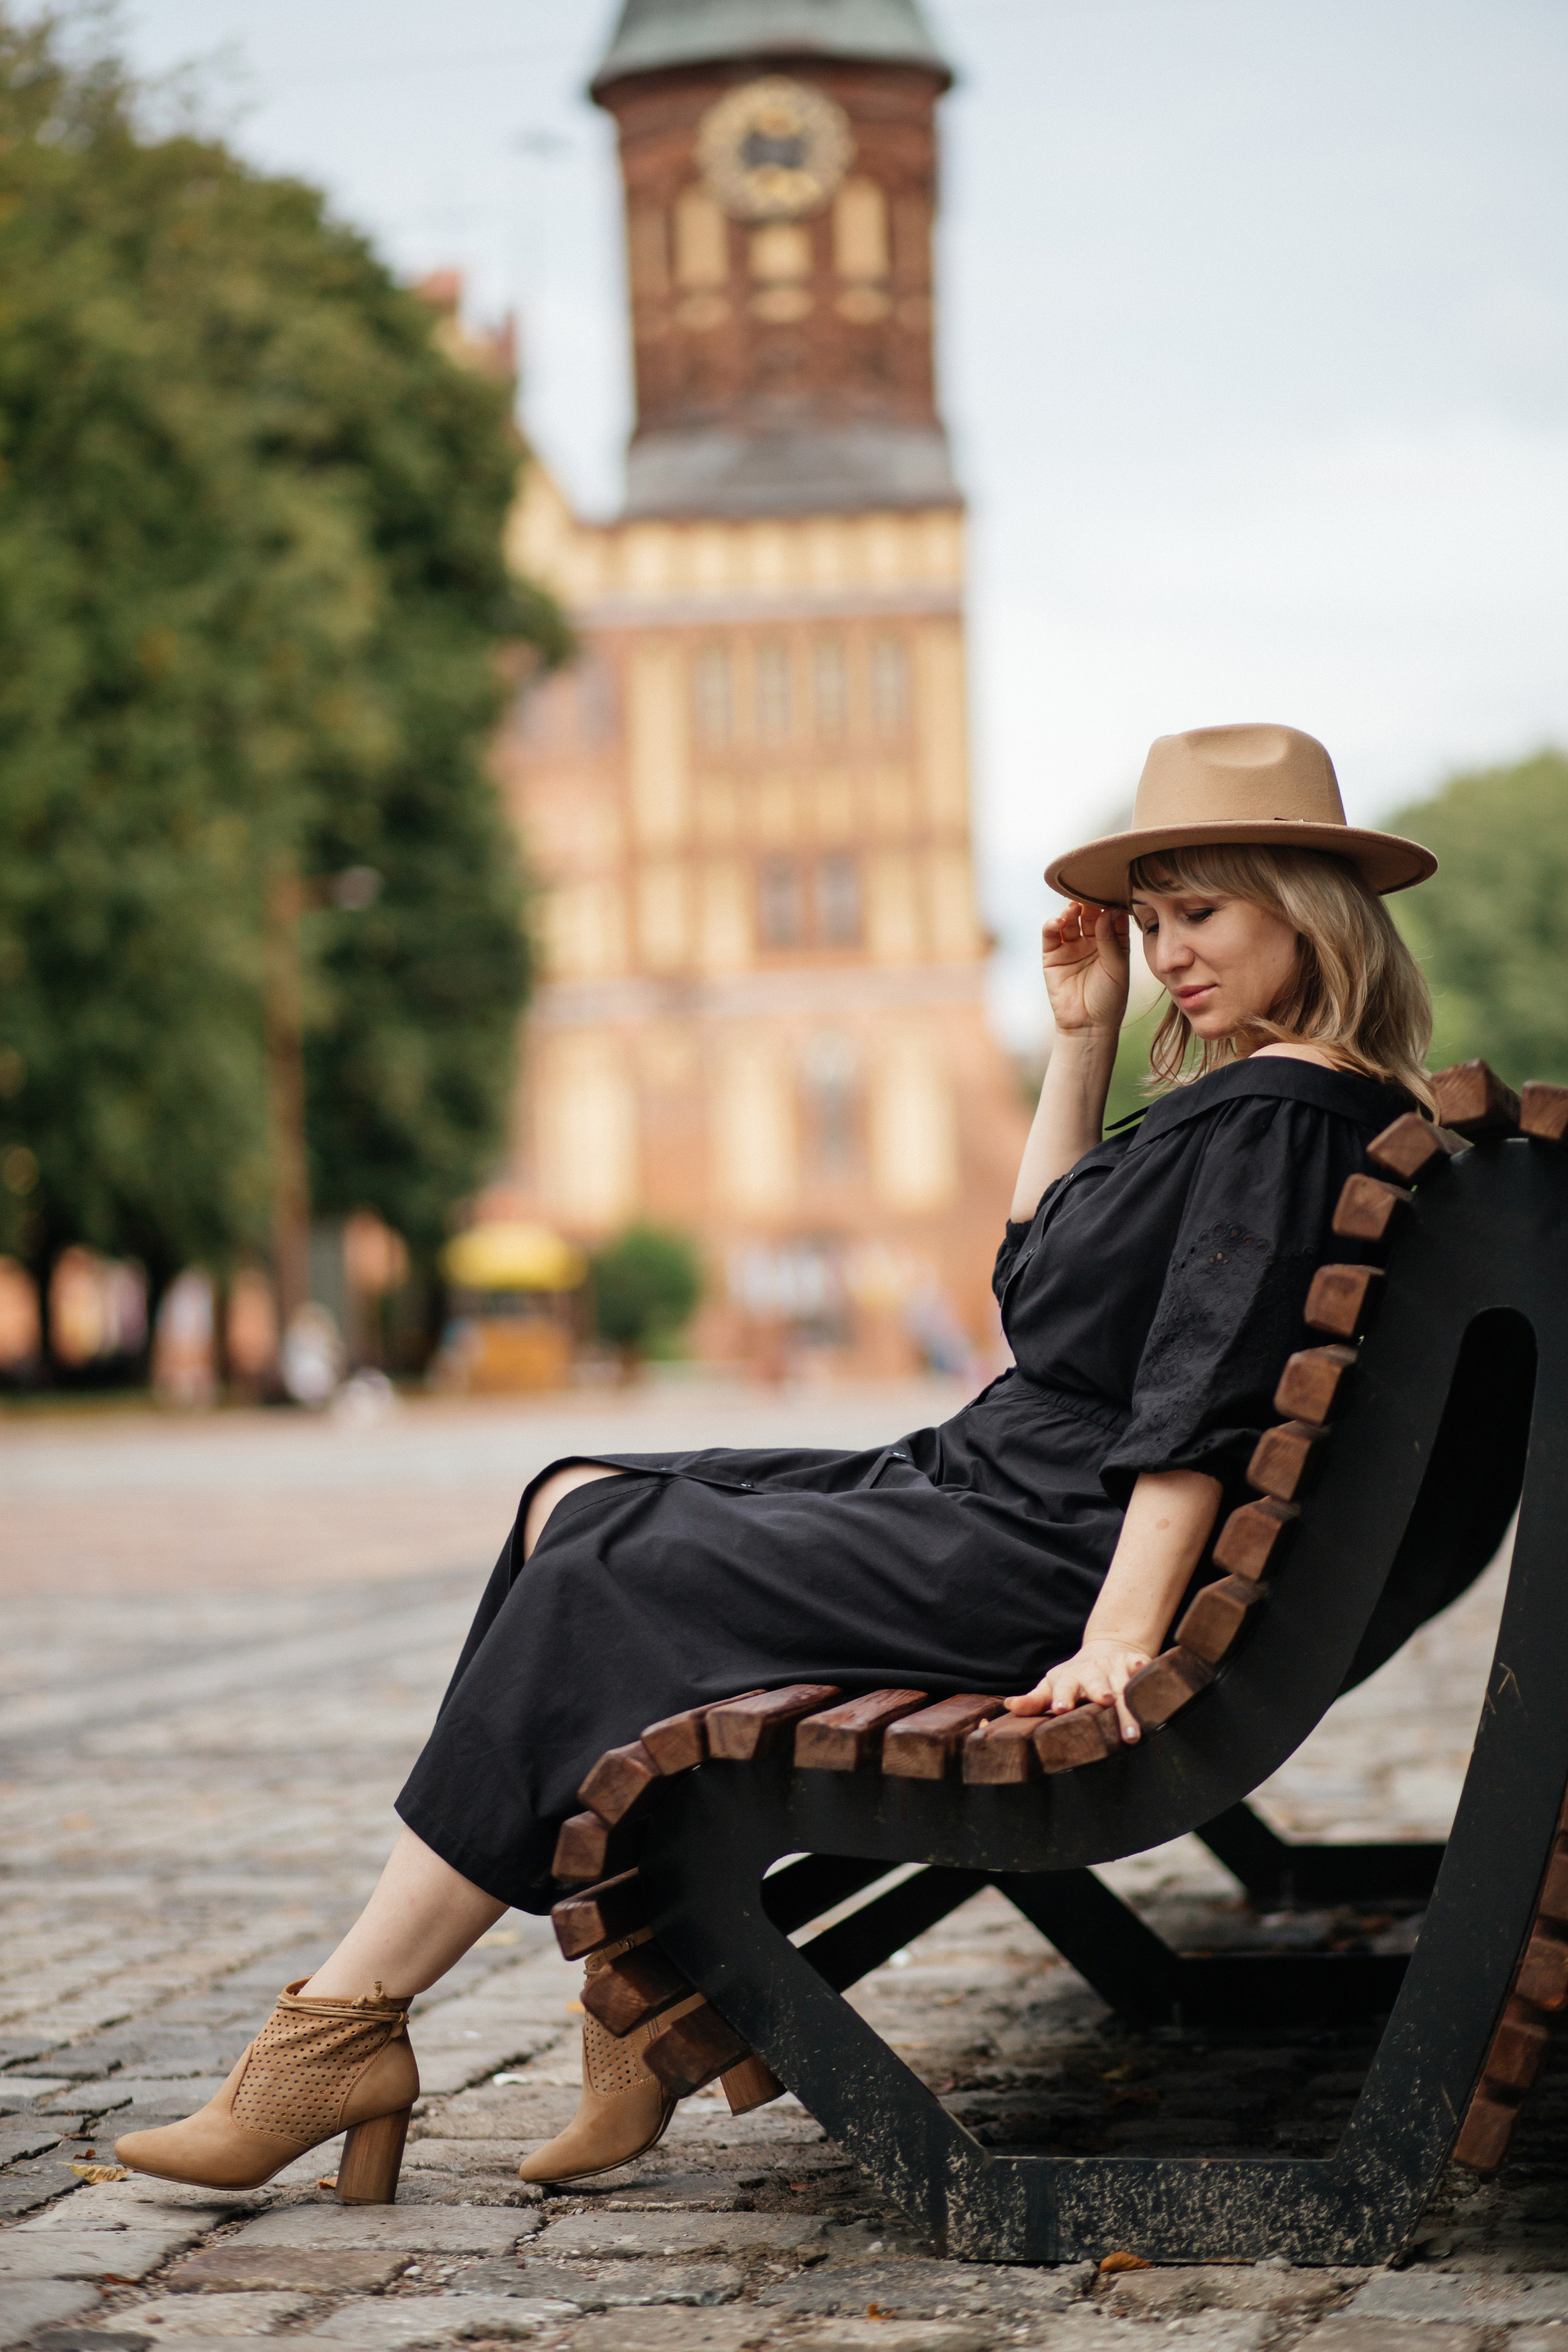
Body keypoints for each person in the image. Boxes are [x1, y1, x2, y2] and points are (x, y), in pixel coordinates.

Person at [116, 722, 1438, 2199]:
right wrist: (1077, 1039)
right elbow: (1041, 1288)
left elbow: (1190, 1398)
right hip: (996, 1488)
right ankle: (640, 1976)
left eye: (1199, 913)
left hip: (1044, 1542)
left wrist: (1120, 1638)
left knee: (606, 1566)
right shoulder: (1278, 1098)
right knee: (579, 1499)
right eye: (1150, 920)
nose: (1167, 954)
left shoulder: (1273, 1116)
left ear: (1305, 903)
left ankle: (344, 2028)